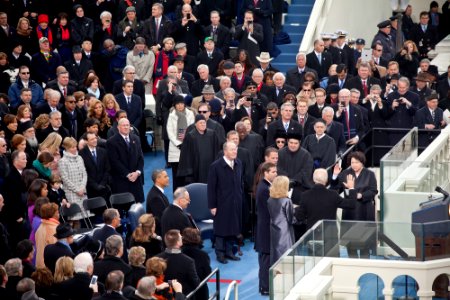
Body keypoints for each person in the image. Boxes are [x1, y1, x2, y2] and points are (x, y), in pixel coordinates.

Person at [298, 168, 356, 256]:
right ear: (326, 180)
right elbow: (351, 204)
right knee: (332, 262)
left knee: (315, 266)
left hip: (313, 236)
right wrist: (351, 188)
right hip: (330, 236)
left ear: (313, 179)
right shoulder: (333, 195)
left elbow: (299, 217)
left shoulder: (305, 195)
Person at [207, 141, 243, 264]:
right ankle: (220, 253)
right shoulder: (215, 166)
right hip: (221, 203)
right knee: (221, 229)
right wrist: (212, 205)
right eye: (232, 150)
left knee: (233, 227)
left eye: (236, 149)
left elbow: (240, 183)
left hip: (235, 201)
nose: (235, 152)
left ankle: (229, 252)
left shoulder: (239, 163)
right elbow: (211, 188)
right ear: (225, 151)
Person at [107, 118, 144, 202]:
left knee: (137, 205)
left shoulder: (136, 138)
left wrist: (137, 172)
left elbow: (140, 157)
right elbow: (114, 161)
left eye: (127, 125)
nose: (126, 127)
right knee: (125, 205)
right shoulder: (111, 142)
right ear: (118, 127)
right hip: (122, 180)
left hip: (136, 179)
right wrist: (128, 174)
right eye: (123, 125)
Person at [255, 162, 277, 295]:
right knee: (266, 259)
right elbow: (270, 210)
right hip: (265, 229)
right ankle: (264, 287)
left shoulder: (266, 186)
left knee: (266, 258)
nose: (276, 174)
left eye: (276, 171)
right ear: (266, 173)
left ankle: (265, 285)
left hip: (266, 227)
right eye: (273, 172)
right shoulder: (264, 189)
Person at [178, 114, 220, 184]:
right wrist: (189, 171)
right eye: (200, 123)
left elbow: (216, 150)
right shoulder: (190, 136)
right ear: (195, 124)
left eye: (204, 122)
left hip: (210, 166)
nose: (203, 124)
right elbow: (186, 155)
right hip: (197, 169)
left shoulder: (212, 134)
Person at [156, 229, 199, 296]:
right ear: (178, 243)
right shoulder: (188, 261)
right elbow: (195, 283)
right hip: (183, 295)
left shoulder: (156, 258)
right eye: (181, 237)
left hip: (162, 294)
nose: (182, 237)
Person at [58, 137, 90, 225]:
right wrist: (77, 190)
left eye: (75, 146)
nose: (75, 148)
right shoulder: (62, 161)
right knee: (74, 219)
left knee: (85, 217)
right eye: (72, 147)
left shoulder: (79, 158)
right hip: (72, 193)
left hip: (82, 191)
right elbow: (65, 179)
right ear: (67, 148)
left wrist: (82, 188)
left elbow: (84, 173)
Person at [166, 95, 195, 190]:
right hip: (175, 148)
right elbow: (170, 132)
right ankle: (176, 196)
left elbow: (192, 129)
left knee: (188, 175)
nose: (180, 106)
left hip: (188, 147)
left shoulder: (190, 114)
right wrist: (178, 144)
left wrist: (185, 143)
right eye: (177, 104)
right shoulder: (171, 115)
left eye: (181, 103)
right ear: (174, 105)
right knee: (176, 176)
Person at [267, 175, 296, 265]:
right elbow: (291, 219)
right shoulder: (287, 201)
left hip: (274, 229)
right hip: (285, 231)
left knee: (276, 253)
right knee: (287, 255)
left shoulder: (270, 199)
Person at [181, 227, 211, 300]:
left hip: (183, 289)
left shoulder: (179, 253)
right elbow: (207, 273)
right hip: (200, 288)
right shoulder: (202, 255)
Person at [79, 132, 111, 200]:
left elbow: (107, 169)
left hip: (104, 188)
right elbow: (83, 172)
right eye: (92, 139)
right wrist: (95, 185)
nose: (95, 140)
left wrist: (102, 183)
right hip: (91, 189)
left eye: (95, 138)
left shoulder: (103, 151)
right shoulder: (81, 154)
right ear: (86, 141)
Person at [34, 202, 60, 268]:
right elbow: (56, 250)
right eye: (57, 212)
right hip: (47, 266)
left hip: (40, 264)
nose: (59, 214)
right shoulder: (53, 229)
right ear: (53, 215)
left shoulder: (41, 227)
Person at [145, 169, 170, 235]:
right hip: (161, 233)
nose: (168, 178)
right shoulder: (155, 198)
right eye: (165, 177)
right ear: (157, 179)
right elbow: (161, 220)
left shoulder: (157, 192)